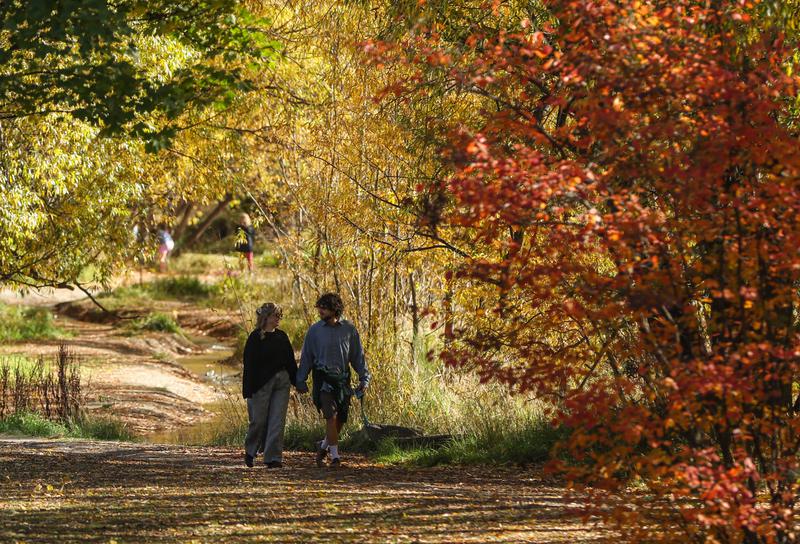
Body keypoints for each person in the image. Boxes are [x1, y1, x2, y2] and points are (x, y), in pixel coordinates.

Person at [296, 292, 370, 467]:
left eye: (324, 307)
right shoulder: (314, 331)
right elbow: (306, 356)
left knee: (341, 420)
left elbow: (357, 356)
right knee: (331, 415)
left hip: (342, 380)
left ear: (334, 309)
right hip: (323, 380)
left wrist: (364, 378)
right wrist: (301, 380)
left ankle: (323, 447)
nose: (320, 310)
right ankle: (335, 457)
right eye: (319, 307)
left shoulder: (349, 330)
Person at [242, 302, 298, 468]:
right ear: (266, 318)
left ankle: (273, 458)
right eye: (276, 316)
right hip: (260, 384)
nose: (278, 319)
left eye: (279, 316)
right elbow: (249, 365)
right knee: (258, 421)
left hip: (282, 382)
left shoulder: (282, 336)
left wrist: (297, 381)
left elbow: (290, 361)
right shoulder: (254, 338)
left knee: (277, 420)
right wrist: (248, 389)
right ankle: (251, 450)